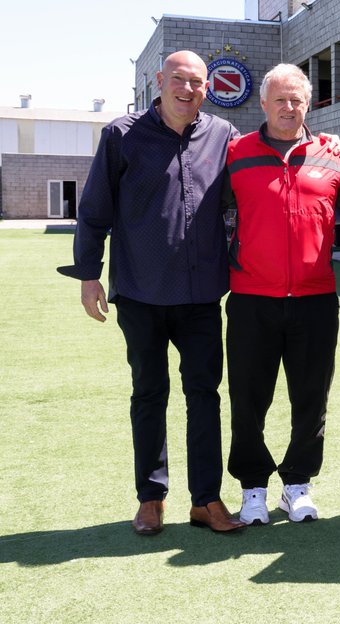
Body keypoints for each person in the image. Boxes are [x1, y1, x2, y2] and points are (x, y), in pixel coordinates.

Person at [59, 50, 245, 534]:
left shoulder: (223, 136)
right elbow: (94, 209)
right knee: (149, 393)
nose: (188, 89)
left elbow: (257, 173)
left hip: (202, 294)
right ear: (158, 81)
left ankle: (206, 500)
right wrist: (88, 275)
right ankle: (151, 497)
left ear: (209, 88)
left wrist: (318, 144)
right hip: (141, 292)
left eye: (198, 82)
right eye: (178, 79)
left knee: (204, 394)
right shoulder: (121, 135)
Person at [225, 63, 340, 524]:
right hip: (251, 298)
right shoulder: (236, 154)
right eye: (281, 100)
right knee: (249, 398)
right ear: (264, 104)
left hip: (315, 299)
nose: (289, 108)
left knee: (311, 397)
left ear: (309, 104)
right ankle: (252, 490)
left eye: (298, 100)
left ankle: (297, 485)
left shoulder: (330, 155)